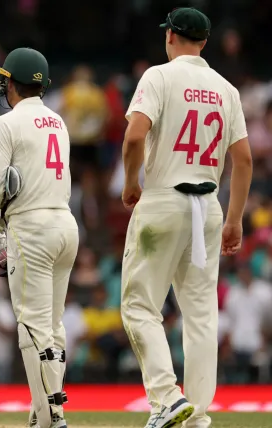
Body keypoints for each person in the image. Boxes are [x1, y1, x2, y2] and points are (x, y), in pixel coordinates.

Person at [120, 8, 252, 428]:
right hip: (209, 207)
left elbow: (134, 136)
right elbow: (244, 160)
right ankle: (197, 412)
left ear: (171, 36)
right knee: (200, 313)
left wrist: (130, 183)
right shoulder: (226, 89)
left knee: (140, 305)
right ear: (206, 42)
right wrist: (235, 219)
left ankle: (166, 396)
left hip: (163, 199)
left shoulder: (159, 76)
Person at [0, 47, 77, 428]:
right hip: (66, 225)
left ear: (8, 83)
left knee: (32, 328)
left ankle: (52, 416)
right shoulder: (58, 122)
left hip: (32, 229)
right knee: (52, 325)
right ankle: (43, 412)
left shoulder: (5, 124)